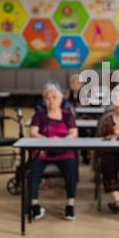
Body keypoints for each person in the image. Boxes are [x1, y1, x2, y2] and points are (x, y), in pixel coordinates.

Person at [29, 83, 78, 221]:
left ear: (61, 99)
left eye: (54, 97)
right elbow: (33, 132)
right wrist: (48, 141)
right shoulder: (39, 114)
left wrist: (61, 142)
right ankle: (35, 205)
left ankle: (70, 205)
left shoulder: (68, 115)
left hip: (63, 151)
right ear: (44, 100)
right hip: (43, 152)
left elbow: (74, 132)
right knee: (34, 170)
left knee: (70, 168)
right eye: (47, 98)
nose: (51, 100)